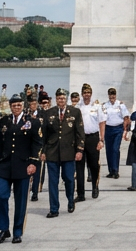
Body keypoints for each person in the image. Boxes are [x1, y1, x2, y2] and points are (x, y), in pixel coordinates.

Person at [0, 93, 41, 245]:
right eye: (14, 105)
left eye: (19, 105)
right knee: (0, 195)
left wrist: (33, 162)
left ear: (23, 106)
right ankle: (3, 229)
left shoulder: (32, 122)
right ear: (10, 107)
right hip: (4, 165)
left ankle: (17, 231)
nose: (16, 107)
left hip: (22, 166)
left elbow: (37, 143)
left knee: (21, 200)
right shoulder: (4, 121)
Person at [41, 88, 84, 217]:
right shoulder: (49, 113)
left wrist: (79, 149)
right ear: (56, 99)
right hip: (52, 152)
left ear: (66, 99)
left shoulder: (75, 112)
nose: (61, 100)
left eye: (63, 98)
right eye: (59, 98)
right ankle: (54, 208)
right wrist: (43, 151)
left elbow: (80, 132)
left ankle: (70, 200)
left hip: (68, 151)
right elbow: (43, 134)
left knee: (69, 179)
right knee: (53, 182)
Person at [76, 84, 103, 199]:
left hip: (93, 137)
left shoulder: (97, 106)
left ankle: (95, 187)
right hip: (80, 138)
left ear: (91, 94)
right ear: (82, 94)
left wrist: (101, 139)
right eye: (85, 93)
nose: (87, 95)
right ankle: (80, 193)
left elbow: (102, 123)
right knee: (79, 166)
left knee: (94, 165)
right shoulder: (78, 107)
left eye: (88, 93)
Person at [100, 87, 129, 179]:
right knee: (109, 150)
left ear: (115, 95)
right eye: (110, 95)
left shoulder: (120, 105)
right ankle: (111, 171)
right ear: (108, 95)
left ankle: (116, 170)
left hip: (118, 129)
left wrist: (125, 130)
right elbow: (102, 119)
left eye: (113, 95)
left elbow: (126, 118)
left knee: (115, 149)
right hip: (108, 129)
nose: (112, 96)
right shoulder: (104, 105)